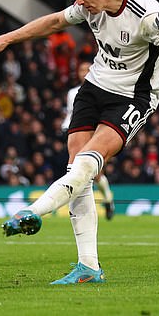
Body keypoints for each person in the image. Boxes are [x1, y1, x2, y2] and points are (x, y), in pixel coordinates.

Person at [0, 0, 159, 284]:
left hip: (132, 97)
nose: (78, 1)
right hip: (94, 88)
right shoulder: (89, 6)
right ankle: (88, 266)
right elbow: (55, 21)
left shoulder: (146, 13)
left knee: (87, 163)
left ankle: (33, 212)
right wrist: (6, 38)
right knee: (77, 169)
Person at [62, 60, 115, 220]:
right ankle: (82, 209)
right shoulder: (72, 93)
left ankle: (107, 199)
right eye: (81, 70)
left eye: (87, 69)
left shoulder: (103, 89)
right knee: (76, 168)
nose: (84, 73)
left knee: (95, 173)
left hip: (96, 131)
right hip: (77, 130)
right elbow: (71, 113)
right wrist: (65, 126)